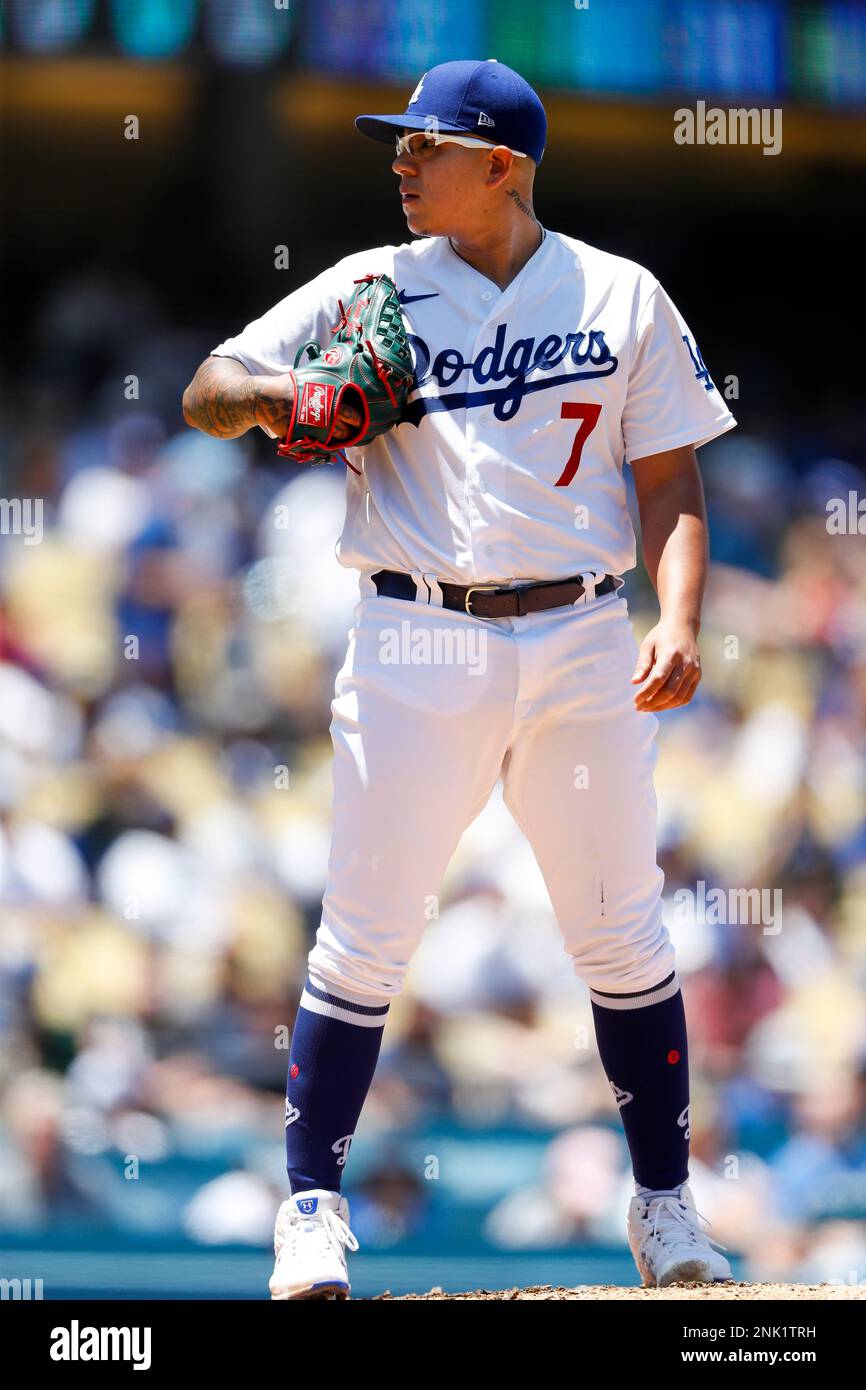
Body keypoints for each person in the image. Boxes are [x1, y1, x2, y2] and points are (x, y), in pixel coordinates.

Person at [182, 58, 735, 1298]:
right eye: (396, 144)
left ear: (500, 165)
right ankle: (310, 1212)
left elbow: (670, 476)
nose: (396, 161)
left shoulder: (618, 293)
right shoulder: (369, 284)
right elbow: (206, 389)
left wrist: (681, 614)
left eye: (421, 145)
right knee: (364, 942)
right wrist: (289, 393)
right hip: (414, 636)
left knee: (619, 933)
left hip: (585, 635)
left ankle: (663, 1210)